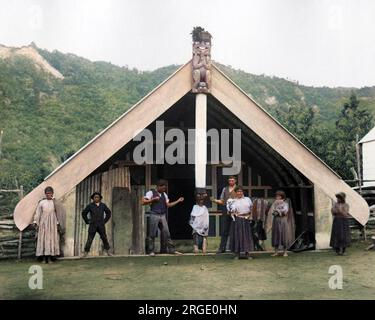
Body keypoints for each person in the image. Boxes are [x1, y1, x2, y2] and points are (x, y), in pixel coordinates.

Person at [142, 179, 184, 256]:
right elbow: (143, 202)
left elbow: (168, 205)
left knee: (166, 233)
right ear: (158, 187)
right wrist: (153, 199)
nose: (164, 189)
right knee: (152, 234)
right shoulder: (151, 192)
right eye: (163, 188)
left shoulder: (164, 195)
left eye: (165, 188)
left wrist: (178, 201)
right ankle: (151, 251)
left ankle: (172, 250)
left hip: (162, 215)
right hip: (154, 214)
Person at [33, 186, 66, 264]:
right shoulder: (42, 202)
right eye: (47, 193)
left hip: (52, 223)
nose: (48, 195)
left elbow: (58, 213)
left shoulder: (55, 202)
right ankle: (44, 258)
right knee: (44, 239)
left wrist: (58, 223)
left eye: (50, 193)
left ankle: (51, 258)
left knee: (51, 239)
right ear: (45, 194)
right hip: (43, 223)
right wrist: (36, 222)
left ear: (52, 193)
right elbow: (38, 213)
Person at [81, 192, 112, 257]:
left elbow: (108, 213)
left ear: (100, 198)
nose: (96, 198)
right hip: (93, 225)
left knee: (104, 238)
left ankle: (108, 252)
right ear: (93, 198)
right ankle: (85, 253)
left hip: (101, 225)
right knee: (90, 239)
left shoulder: (103, 205)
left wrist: (104, 221)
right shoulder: (90, 205)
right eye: (95, 197)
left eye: (97, 197)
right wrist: (87, 221)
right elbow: (84, 213)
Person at [228, 186, 254, 259]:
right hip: (238, 220)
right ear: (235, 193)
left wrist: (249, 216)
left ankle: (247, 254)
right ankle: (237, 254)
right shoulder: (233, 201)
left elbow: (251, 208)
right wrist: (232, 212)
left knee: (246, 236)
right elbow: (231, 211)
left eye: (241, 191)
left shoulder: (247, 199)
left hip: (246, 219)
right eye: (238, 191)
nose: (239, 193)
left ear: (243, 192)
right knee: (237, 236)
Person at [212, 176, 237, 253]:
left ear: (235, 181)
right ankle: (222, 248)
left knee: (235, 230)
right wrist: (215, 200)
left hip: (235, 211)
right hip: (225, 210)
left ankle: (235, 248)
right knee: (224, 230)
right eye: (229, 181)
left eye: (232, 180)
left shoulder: (238, 189)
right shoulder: (225, 189)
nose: (231, 182)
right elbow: (222, 201)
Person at [267, 191, 290, 257]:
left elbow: (285, 211)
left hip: (283, 220)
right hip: (276, 220)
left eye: (279, 196)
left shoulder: (285, 203)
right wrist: (277, 211)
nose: (278, 197)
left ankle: (285, 252)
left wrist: (278, 211)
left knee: (284, 234)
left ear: (282, 196)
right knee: (276, 234)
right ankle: (276, 252)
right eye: (277, 196)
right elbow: (272, 210)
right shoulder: (274, 203)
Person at [189, 188, 209, 255]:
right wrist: (192, 223)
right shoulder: (195, 207)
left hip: (203, 225)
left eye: (202, 194)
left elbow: (206, 218)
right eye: (199, 195)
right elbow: (192, 217)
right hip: (196, 225)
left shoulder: (205, 208)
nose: (201, 197)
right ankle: (196, 248)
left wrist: (205, 226)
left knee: (204, 236)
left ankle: (204, 248)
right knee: (195, 235)